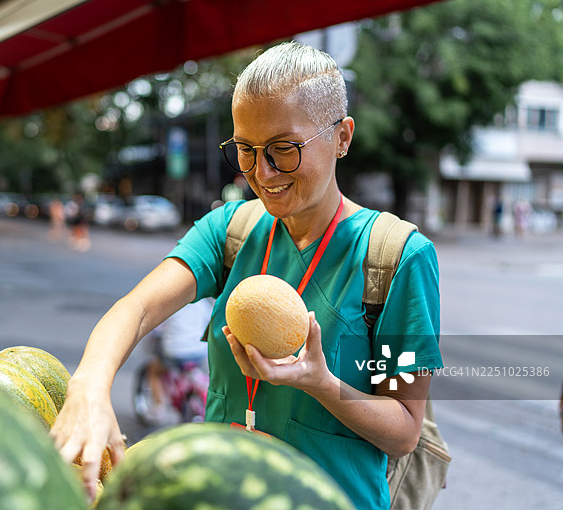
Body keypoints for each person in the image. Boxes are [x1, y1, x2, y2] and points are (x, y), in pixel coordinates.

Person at [50, 41, 443, 509]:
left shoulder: (396, 256)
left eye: (283, 149)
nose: (262, 171)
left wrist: (321, 382)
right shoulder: (229, 230)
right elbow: (136, 309)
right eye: (245, 149)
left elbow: (403, 431)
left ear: (342, 137)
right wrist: (89, 385)